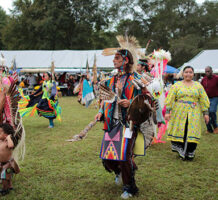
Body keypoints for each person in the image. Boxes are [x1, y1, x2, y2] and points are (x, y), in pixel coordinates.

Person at [95, 49, 141, 199]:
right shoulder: (111, 79)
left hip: (128, 123)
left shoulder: (136, 78)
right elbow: (105, 98)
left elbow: (146, 100)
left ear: (125, 60)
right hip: (111, 122)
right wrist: (101, 111)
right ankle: (119, 172)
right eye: (114, 58)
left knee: (125, 156)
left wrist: (131, 103)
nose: (113, 61)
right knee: (107, 156)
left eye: (117, 58)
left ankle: (129, 187)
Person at [165, 66, 210, 160]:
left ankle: (190, 152)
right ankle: (182, 151)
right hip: (179, 111)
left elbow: (203, 99)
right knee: (182, 129)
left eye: (190, 72)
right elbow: (170, 98)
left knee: (191, 131)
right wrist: (168, 112)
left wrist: (205, 113)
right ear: (183, 73)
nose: (188, 74)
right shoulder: (176, 85)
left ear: (193, 74)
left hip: (194, 112)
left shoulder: (198, 85)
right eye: (186, 72)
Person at [0, 123, 20, 196]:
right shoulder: (1, 141)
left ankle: (5, 189)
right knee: (7, 176)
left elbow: (11, 146)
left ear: (5, 135)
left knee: (4, 177)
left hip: (8, 163)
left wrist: (8, 138)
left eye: (0, 133)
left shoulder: (7, 142)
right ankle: (10, 186)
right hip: (2, 163)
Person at [201, 66, 218, 134]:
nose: (207, 73)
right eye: (206, 71)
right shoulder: (204, 79)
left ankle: (216, 127)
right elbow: (201, 89)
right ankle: (209, 129)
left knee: (212, 111)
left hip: (215, 97)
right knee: (206, 113)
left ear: (212, 71)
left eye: (208, 71)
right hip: (206, 99)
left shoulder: (216, 78)